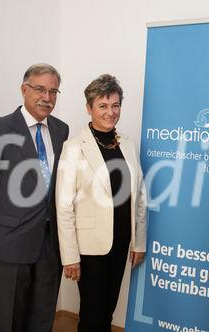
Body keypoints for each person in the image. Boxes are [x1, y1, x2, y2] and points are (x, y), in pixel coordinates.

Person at [0, 63, 69, 331]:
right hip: (10, 243)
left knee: (42, 318)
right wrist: (1, 222)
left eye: (53, 91)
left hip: (50, 244)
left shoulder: (61, 130)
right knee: (8, 319)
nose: (47, 97)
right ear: (24, 89)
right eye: (40, 89)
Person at [56, 74, 147, 332]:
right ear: (89, 108)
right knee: (93, 315)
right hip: (89, 248)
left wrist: (138, 241)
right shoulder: (73, 147)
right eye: (103, 106)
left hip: (120, 242)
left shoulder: (127, 144)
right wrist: (70, 256)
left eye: (115, 105)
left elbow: (139, 195)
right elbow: (64, 205)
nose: (110, 112)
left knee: (107, 310)